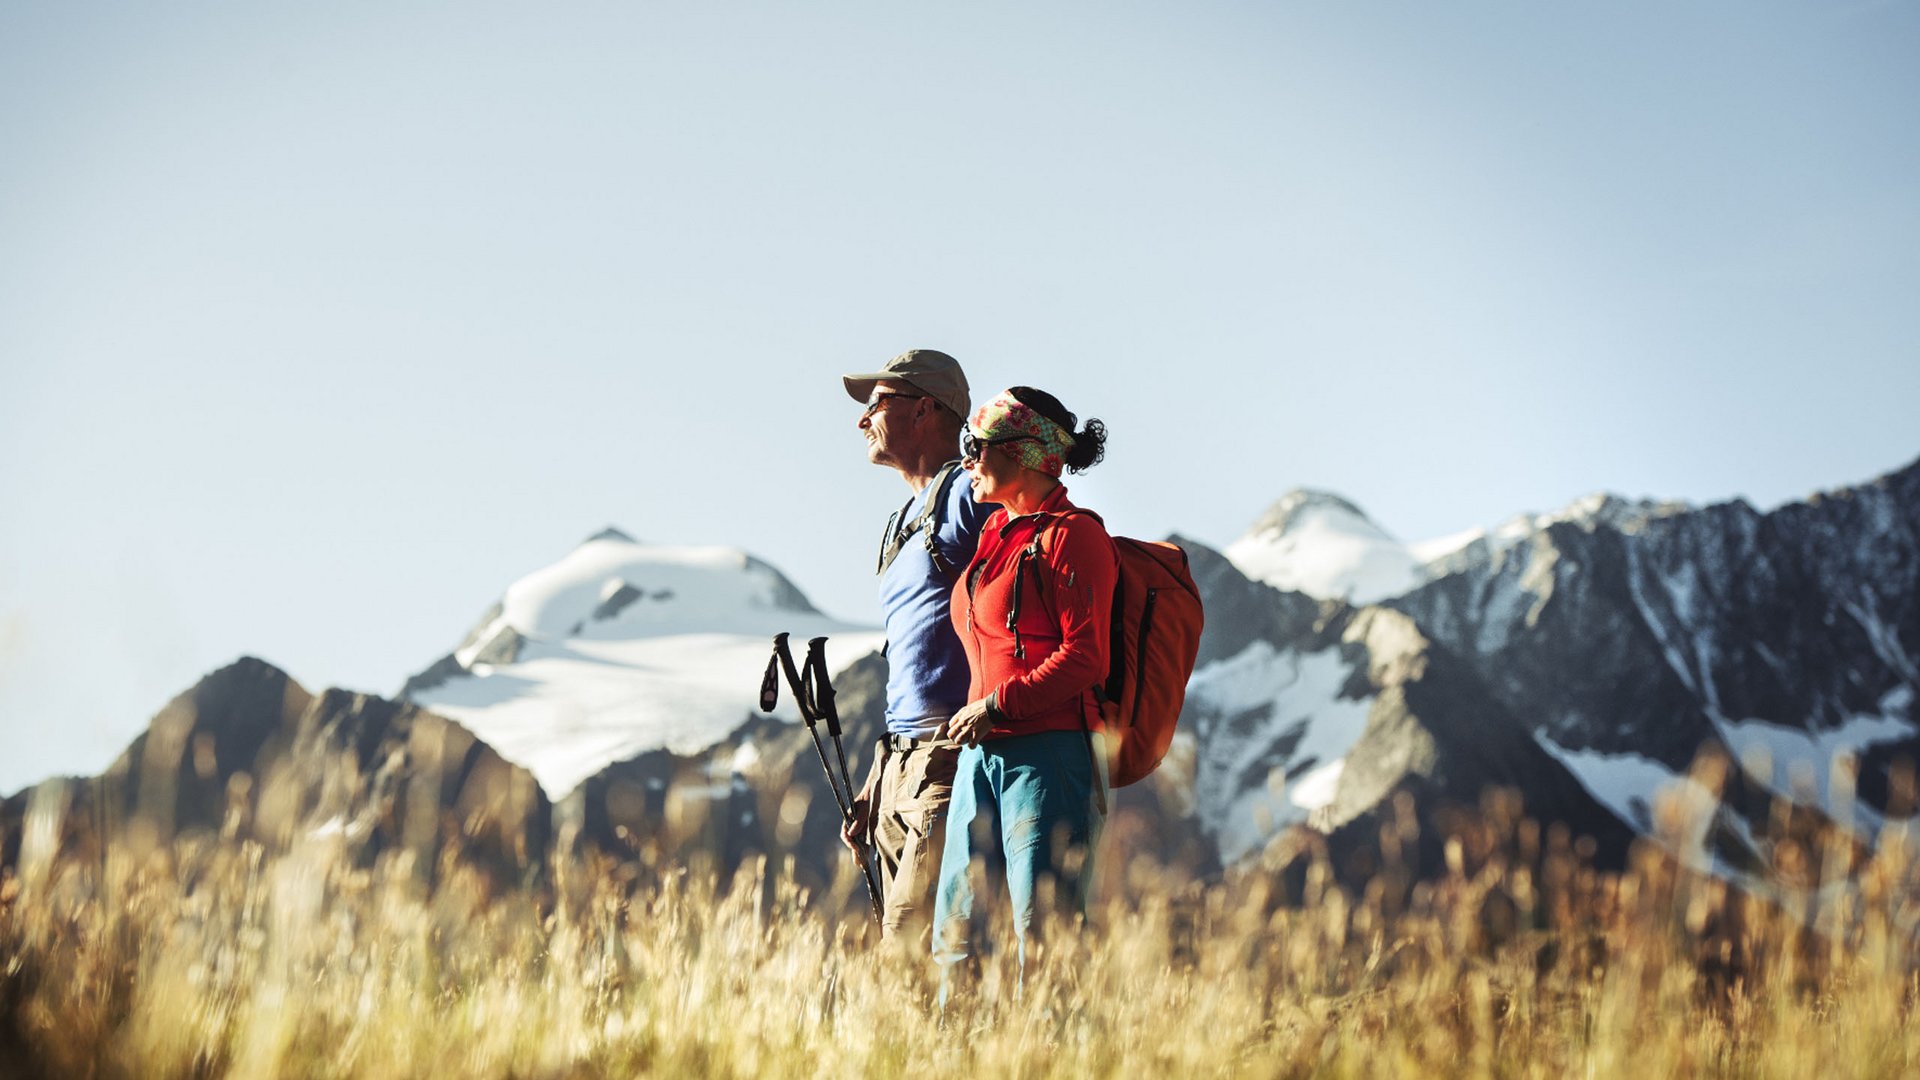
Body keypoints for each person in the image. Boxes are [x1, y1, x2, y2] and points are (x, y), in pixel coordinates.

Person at [931, 385, 1116, 978]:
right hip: (980, 758)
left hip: (1049, 758)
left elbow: (1087, 657)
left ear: (1027, 453)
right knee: (953, 934)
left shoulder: (1073, 535)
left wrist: (995, 705)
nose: (967, 459)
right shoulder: (993, 541)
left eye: (977, 445)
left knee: (1044, 938)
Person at [838, 349, 997, 939]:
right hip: (900, 768)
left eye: (877, 404)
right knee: (910, 956)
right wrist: (878, 783)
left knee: (907, 957)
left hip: (946, 763)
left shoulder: (960, 495)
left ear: (925, 409)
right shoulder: (903, 521)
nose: (863, 419)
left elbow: (1016, 523)